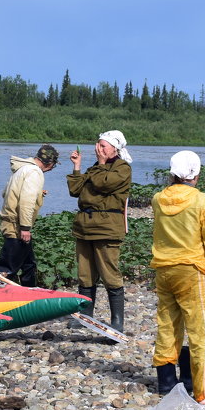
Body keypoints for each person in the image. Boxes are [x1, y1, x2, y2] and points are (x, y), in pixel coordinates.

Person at [150, 150, 205, 401]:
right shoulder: (200, 200)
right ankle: (204, 390)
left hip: (164, 269)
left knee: (167, 324)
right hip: (191, 269)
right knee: (202, 330)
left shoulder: (158, 199)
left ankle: (166, 383)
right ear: (195, 174)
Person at [66, 130, 133, 333]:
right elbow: (75, 190)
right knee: (85, 274)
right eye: (98, 145)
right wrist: (77, 166)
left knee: (110, 273)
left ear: (115, 148)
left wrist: (102, 164)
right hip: (84, 227)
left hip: (107, 228)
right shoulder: (95, 167)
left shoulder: (122, 169)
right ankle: (85, 315)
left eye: (103, 146)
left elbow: (103, 183)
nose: (99, 149)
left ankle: (117, 320)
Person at [0, 144, 59, 286]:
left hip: (9, 222)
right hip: (16, 226)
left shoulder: (22, 169)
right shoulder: (35, 172)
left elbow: (6, 193)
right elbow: (26, 201)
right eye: (54, 165)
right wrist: (25, 228)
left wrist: (38, 194)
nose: (53, 168)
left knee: (29, 264)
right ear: (50, 163)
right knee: (7, 268)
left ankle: (29, 292)